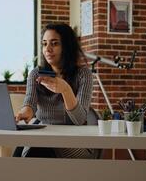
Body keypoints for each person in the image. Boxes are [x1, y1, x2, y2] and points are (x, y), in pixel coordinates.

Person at [13, 23, 96, 158]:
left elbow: (79, 120)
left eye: (54, 43)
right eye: (45, 44)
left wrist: (65, 90)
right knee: (22, 155)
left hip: (74, 141)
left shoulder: (83, 74)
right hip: (44, 136)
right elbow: (29, 102)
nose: (48, 49)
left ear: (66, 47)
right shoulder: (36, 74)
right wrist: (24, 112)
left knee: (36, 149)